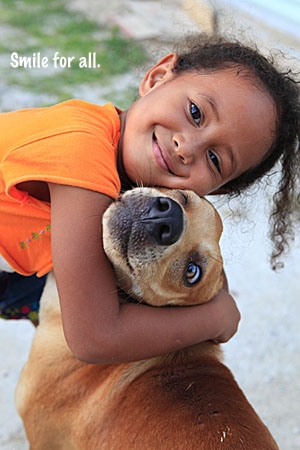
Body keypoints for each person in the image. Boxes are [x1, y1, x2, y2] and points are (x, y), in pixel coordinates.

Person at [0, 33, 299, 363]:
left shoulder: (139, 172)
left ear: (216, 190)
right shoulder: (81, 152)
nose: (186, 148)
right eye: (196, 113)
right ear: (157, 79)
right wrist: (219, 317)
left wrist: (213, 287)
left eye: (214, 160)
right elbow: (95, 339)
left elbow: (203, 255)